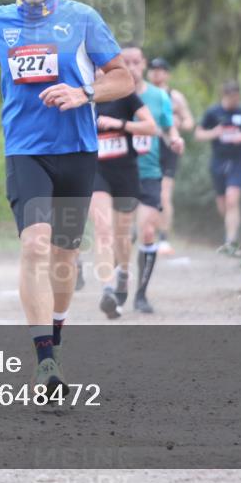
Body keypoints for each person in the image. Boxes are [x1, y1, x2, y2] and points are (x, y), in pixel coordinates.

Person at [0, 0, 134, 393]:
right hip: (25, 150)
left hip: (77, 150)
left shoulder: (82, 19)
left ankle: (54, 341)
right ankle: (45, 363)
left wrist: (85, 93)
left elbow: (122, 76)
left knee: (63, 255)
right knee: (35, 246)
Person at [89, 64, 157, 320]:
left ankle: (123, 274)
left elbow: (150, 127)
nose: (95, 73)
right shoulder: (79, 96)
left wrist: (118, 123)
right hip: (96, 172)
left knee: (122, 235)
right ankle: (107, 287)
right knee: (103, 229)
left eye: (99, 69)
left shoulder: (125, 95)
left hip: (125, 172)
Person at [122, 47, 184, 313]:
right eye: (126, 62)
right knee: (120, 236)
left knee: (148, 230)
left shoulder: (159, 96)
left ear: (144, 64)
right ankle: (118, 285)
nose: (132, 66)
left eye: (136, 62)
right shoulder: (111, 94)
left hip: (149, 171)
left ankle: (141, 294)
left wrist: (175, 138)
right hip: (118, 171)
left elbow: (169, 125)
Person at [195, 81, 241, 246]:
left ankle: (231, 240)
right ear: (224, 95)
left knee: (232, 199)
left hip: (238, 161)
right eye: (232, 97)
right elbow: (198, 134)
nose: (235, 101)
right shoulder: (213, 113)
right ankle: (231, 226)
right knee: (222, 202)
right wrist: (214, 133)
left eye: (237, 97)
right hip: (218, 161)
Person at [146, 58, 194, 255]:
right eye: (153, 69)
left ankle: (164, 237)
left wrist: (176, 124)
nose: (157, 73)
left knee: (164, 194)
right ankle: (142, 231)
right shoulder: (142, 94)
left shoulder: (175, 97)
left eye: (161, 70)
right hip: (146, 148)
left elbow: (190, 121)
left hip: (168, 148)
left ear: (167, 74)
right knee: (142, 193)